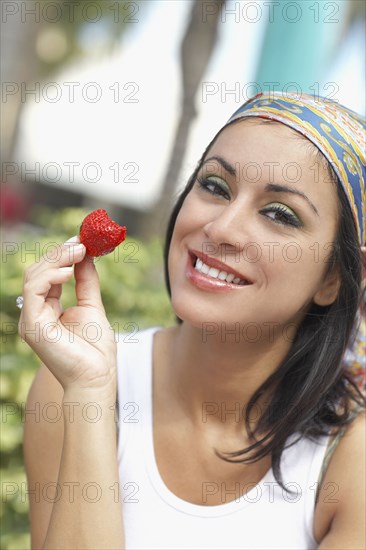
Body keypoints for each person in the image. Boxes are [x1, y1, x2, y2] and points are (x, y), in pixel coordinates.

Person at [19, 91, 365, 549]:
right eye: (215, 186)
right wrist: (89, 395)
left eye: (279, 214)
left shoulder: (349, 461)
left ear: (336, 278)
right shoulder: (72, 385)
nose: (221, 228)